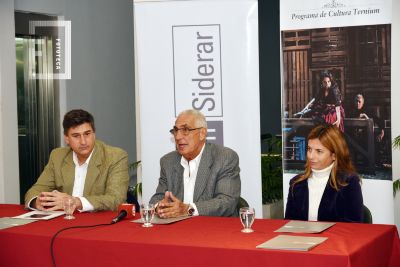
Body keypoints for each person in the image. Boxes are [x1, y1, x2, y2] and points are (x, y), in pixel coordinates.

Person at [25, 109, 129, 212]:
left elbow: (116, 199)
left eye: (87, 134)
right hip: (63, 222)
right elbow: (36, 190)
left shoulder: (115, 157)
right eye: (76, 136)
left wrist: (75, 202)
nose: (83, 141)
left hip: (98, 223)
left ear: (94, 133)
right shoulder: (57, 156)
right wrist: (38, 201)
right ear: (66, 138)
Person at [150, 109, 241, 218]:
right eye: (176, 131)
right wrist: (159, 206)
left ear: (202, 133)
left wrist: (189, 209)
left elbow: (227, 202)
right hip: (177, 229)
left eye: (185, 130)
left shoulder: (224, 158)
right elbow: (157, 198)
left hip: (214, 229)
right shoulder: (168, 161)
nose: (178, 137)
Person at [285, 124, 363, 223]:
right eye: (309, 149)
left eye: (319, 151)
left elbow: (354, 226)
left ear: (334, 155)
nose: (311, 156)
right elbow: (289, 224)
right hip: (300, 238)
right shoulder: (296, 183)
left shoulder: (349, 182)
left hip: (337, 238)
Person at [348, 94, 387, 169]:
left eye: (359, 102)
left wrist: (382, 132)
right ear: (354, 102)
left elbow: (378, 120)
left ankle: (378, 163)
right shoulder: (350, 110)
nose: (357, 103)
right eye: (356, 101)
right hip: (353, 139)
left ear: (363, 102)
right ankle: (367, 163)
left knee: (376, 139)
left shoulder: (366, 111)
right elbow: (350, 115)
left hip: (364, 138)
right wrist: (363, 115)